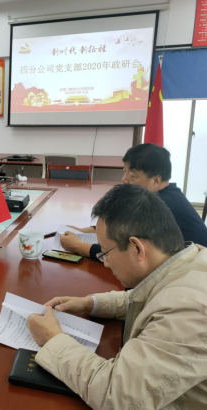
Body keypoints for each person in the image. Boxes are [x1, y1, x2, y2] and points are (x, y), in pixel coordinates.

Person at [27, 184, 207, 409]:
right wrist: (89, 303)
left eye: (105, 252)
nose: (105, 262)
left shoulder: (191, 310)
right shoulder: (186, 263)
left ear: (137, 249)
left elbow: (118, 396)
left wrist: (53, 339)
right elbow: (150, 298)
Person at [61, 143, 207, 261]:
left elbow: (124, 251)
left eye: (132, 176)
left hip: (193, 271)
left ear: (156, 180)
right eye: (124, 171)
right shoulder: (165, 193)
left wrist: (78, 246)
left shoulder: (160, 205)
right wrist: (82, 231)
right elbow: (120, 226)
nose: (124, 180)